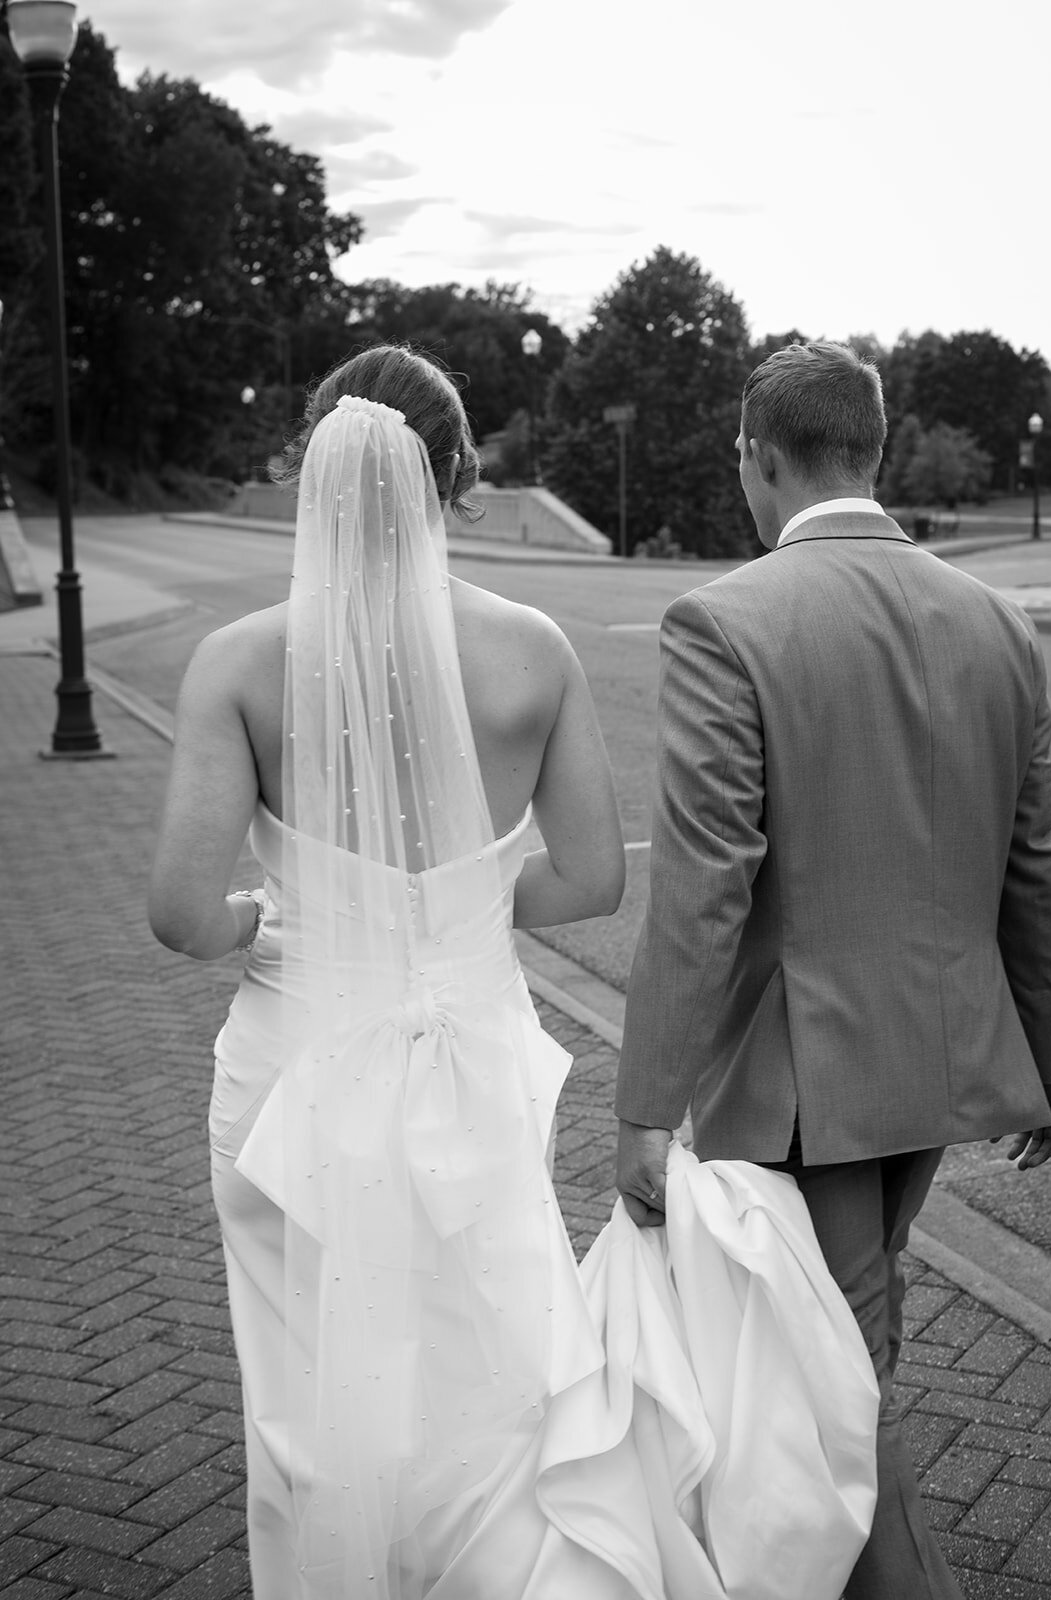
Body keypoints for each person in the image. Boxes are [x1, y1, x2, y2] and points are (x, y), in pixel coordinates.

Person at [150, 344, 879, 1600]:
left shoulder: (238, 661)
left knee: (307, 1394)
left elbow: (176, 911)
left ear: (322, 468)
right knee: (490, 1371)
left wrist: (259, 926)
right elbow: (591, 878)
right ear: (460, 480)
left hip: (288, 1078)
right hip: (471, 1060)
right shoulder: (528, 649)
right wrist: (464, 909)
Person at [615, 339, 1051, 1600]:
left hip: (808, 1075)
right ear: (869, 446)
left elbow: (703, 884)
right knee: (852, 1342)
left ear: (758, 457)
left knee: (837, 1375)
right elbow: (1033, 863)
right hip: (947, 1060)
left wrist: (644, 1107)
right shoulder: (992, 618)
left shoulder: (725, 617)